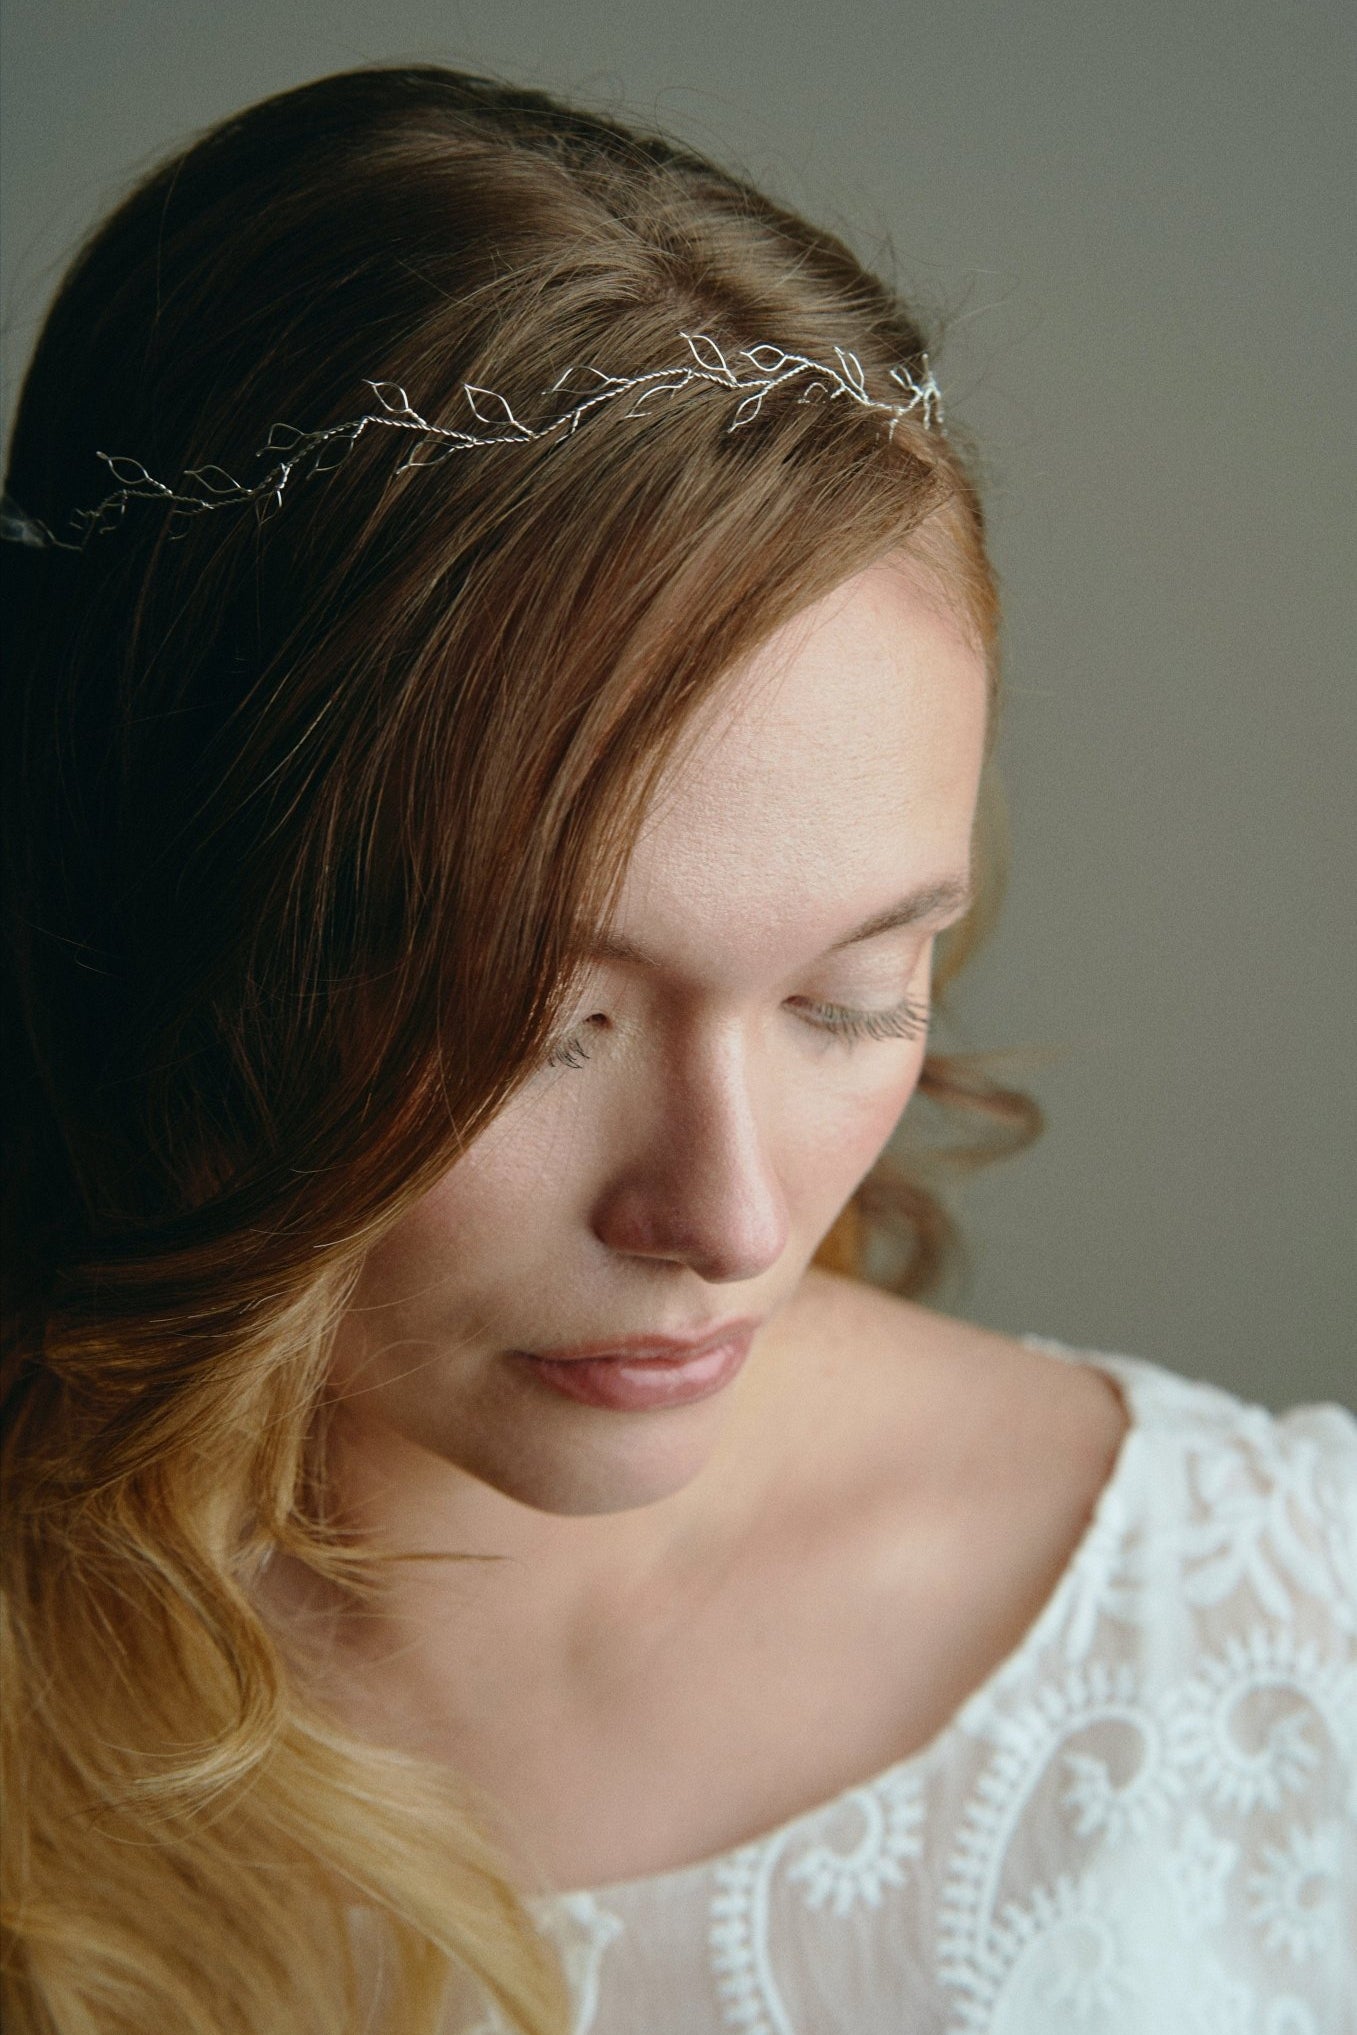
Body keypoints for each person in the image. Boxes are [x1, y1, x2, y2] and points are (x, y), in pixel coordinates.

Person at [1, 62, 1352, 2035]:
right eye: (541, 1023)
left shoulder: (1296, 1636)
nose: (725, 1214)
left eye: (851, 995)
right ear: (160, 928)